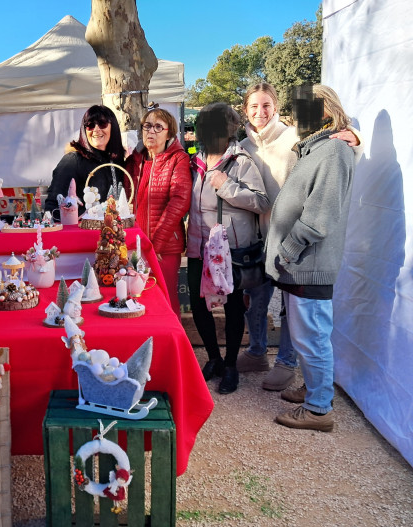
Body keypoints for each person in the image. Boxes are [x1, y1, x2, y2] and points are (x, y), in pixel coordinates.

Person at [236, 82, 361, 392]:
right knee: (257, 302)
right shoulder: (243, 146)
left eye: (266, 105)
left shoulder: (296, 136)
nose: (260, 112)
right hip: (262, 236)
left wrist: (357, 137)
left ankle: (287, 362)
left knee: (291, 308)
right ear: (245, 111)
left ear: (276, 107)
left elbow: (345, 142)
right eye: (254, 106)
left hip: (293, 241)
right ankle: (256, 352)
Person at [266, 84, 356, 432]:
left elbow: (319, 217)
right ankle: (316, 389)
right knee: (308, 332)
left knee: (312, 334)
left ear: (326, 111)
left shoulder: (333, 152)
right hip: (303, 263)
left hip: (308, 262)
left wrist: (287, 251)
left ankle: (319, 409)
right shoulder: (318, 149)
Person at [186, 103, 270, 395]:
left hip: (229, 249)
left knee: (233, 306)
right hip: (199, 246)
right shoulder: (195, 160)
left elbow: (261, 201)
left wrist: (226, 186)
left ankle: (232, 365)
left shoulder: (241, 161)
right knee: (199, 305)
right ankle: (214, 359)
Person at [125, 106, 191, 317]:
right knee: (138, 296)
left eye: (158, 127)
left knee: (165, 297)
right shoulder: (137, 161)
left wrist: (157, 243)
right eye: (147, 126)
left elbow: (180, 201)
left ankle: (173, 345)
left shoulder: (177, 159)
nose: (151, 131)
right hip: (135, 244)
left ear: (169, 133)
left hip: (163, 247)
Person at [44, 105, 126, 218]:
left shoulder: (118, 163)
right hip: (82, 232)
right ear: (84, 129)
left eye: (102, 123)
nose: (96, 129)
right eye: (90, 125)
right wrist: (80, 213)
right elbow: (52, 207)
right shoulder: (73, 161)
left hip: (112, 232)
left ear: (113, 127)